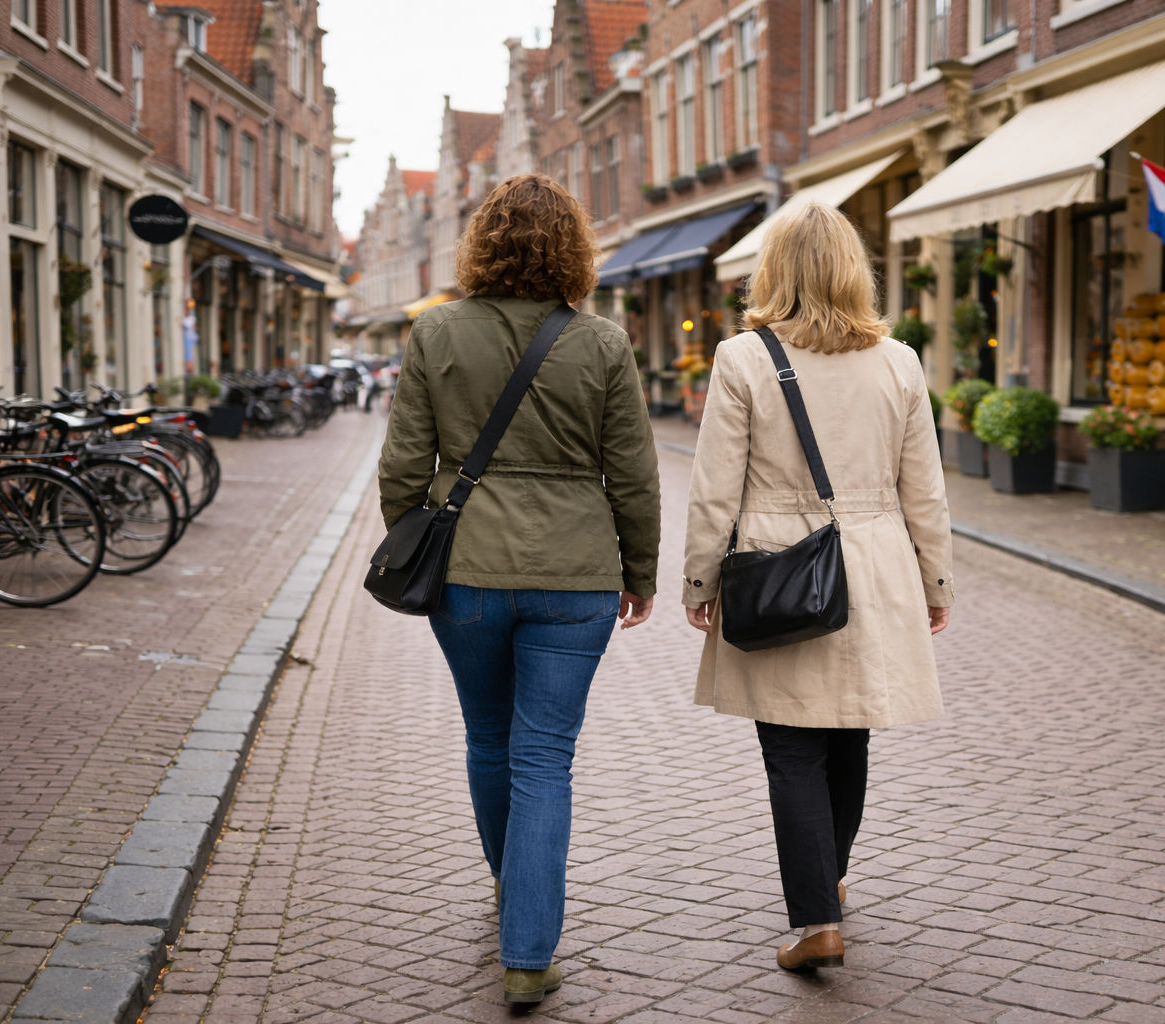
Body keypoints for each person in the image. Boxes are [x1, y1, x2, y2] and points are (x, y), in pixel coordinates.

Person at [377, 174, 660, 1005]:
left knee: (489, 739)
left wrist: (415, 540)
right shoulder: (602, 344)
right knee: (547, 756)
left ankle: (515, 889)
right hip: (574, 578)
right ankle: (528, 951)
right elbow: (635, 476)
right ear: (574, 249)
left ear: (481, 245)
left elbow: (403, 465)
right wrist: (638, 573)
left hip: (464, 567)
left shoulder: (435, 334)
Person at [680, 200, 953, 972]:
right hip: (872, 563)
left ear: (773, 271)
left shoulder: (743, 359)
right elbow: (924, 488)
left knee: (791, 746)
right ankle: (827, 881)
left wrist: (701, 577)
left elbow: (714, 488)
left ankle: (814, 922)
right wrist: (936, 579)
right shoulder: (899, 360)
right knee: (850, 732)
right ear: (852, 271)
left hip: (779, 563)